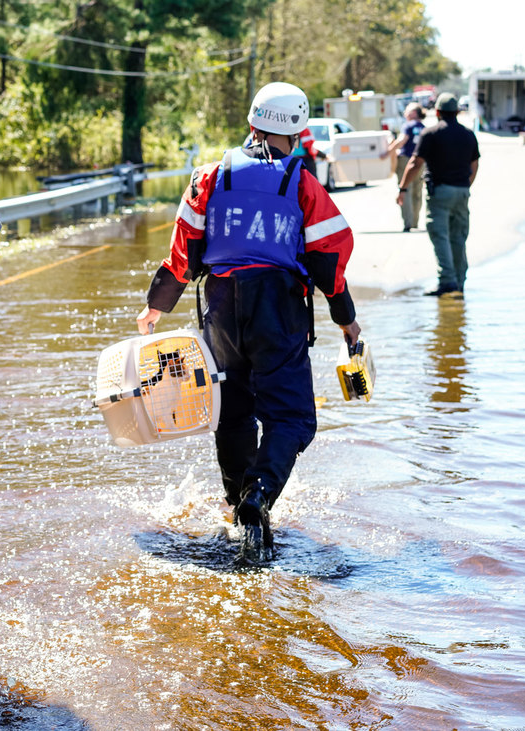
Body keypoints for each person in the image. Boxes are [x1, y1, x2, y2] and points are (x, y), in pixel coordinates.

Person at [135, 82, 362, 560]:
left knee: (233, 411)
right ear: (298, 132)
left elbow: (183, 251)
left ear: (252, 123)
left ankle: (237, 506)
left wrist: (156, 306)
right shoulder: (301, 183)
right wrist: (347, 321)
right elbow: (329, 260)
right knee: (293, 417)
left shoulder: (210, 176)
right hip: (276, 306)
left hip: (219, 304)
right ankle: (259, 496)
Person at [397, 92, 479, 297]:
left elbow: (415, 163)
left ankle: (447, 281)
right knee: (458, 237)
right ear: (457, 112)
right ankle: (460, 281)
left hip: (439, 193)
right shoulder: (468, 134)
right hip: (462, 192)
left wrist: (403, 188)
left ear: (438, 112)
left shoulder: (431, 133)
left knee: (440, 235)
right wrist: (465, 185)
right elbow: (475, 164)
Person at [382, 102, 426, 231]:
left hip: (406, 160)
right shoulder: (423, 127)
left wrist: (387, 152)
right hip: (421, 162)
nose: (405, 113)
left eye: (407, 110)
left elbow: (402, 140)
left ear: (413, 113)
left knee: (405, 189)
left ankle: (408, 222)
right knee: (417, 193)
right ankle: (415, 222)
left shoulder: (408, 126)